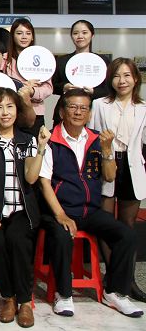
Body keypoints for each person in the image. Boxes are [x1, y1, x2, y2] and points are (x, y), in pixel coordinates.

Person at [39, 89, 142, 318]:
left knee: (127, 236)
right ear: (62, 112)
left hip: (90, 210)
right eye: (73, 107)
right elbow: (44, 182)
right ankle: (63, 294)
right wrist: (61, 215)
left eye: (83, 108)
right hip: (59, 210)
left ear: (89, 113)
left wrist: (107, 151)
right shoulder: (51, 139)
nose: (78, 112)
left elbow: (110, 176)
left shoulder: (98, 139)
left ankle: (114, 292)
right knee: (62, 235)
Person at [0, 88, 47, 327]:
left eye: (10, 107)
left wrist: (41, 148)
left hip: (22, 210)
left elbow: (31, 178)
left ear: (17, 110)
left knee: (17, 239)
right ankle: (9, 298)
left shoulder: (27, 139)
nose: (5, 112)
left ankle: (24, 301)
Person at [89, 58, 146, 301]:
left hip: (133, 168)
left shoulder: (143, 108)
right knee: (105, 224)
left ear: (136, 79)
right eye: (116, 76)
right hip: (107, 164)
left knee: (128, 226)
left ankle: (128, 280)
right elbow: (92, 136)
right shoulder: (100, 104)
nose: (121, 81)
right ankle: (113, 277)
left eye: (126, 75)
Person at [51, 19, 111, 125]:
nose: (80, 36)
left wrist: (93, 92)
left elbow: (109, 89)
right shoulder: (62, 61)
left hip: (95, 111)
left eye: (84, 32)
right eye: (75, 33)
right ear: (71, 36)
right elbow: (52, 86)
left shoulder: (103, 61)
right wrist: (64, 87)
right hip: (67, 111)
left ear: (92, 35)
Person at [4, 18, 53, 134]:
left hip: (36, 112)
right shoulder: (5, 59)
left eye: (28, 33)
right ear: (13, 36)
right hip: (10, 112)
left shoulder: (43, 58)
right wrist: (21, 86)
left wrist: (32, 91)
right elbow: (2, 85)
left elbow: (48, 88)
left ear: (32, 37)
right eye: (19, 33)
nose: (24, 37)